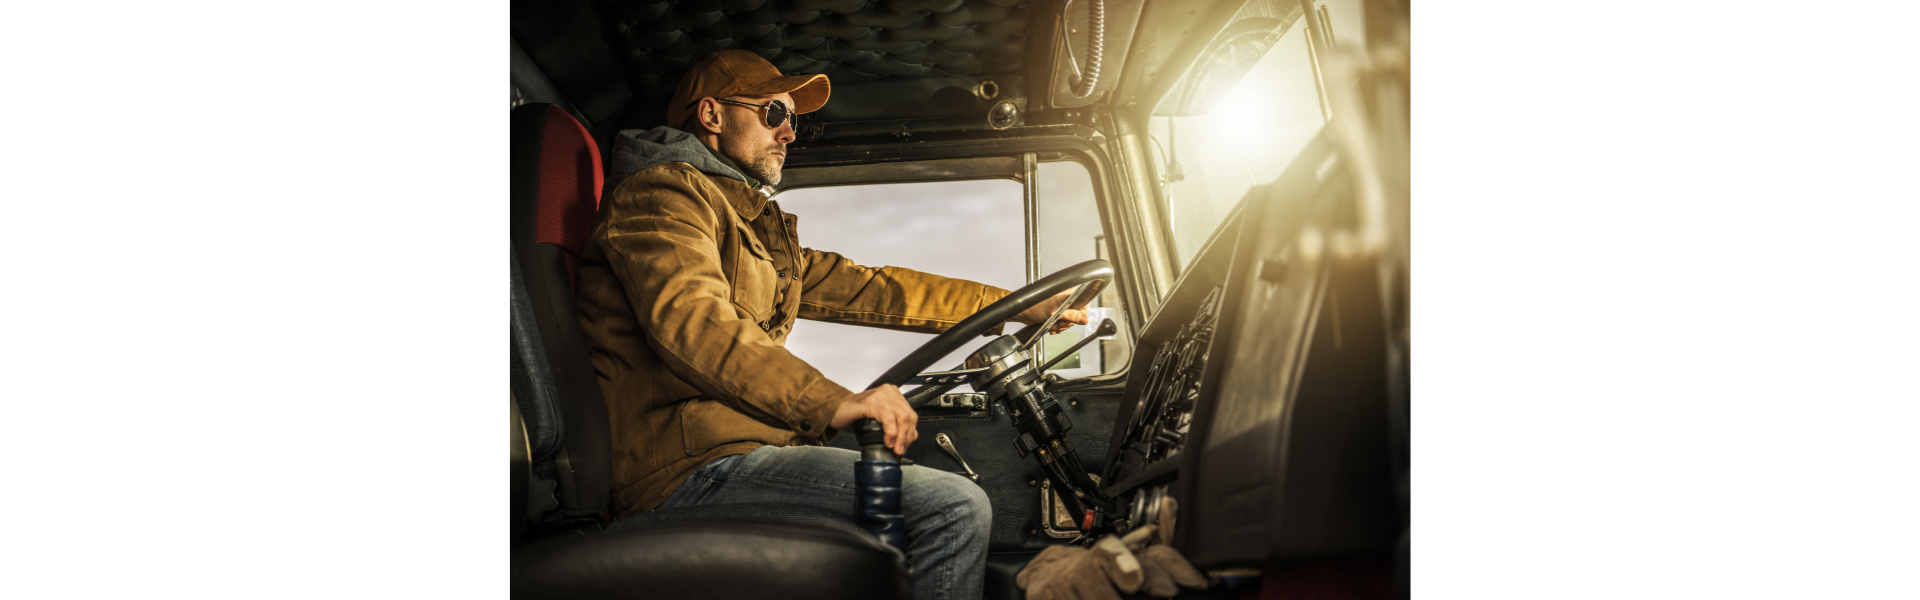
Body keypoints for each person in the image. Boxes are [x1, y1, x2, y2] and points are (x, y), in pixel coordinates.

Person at [572, 49, 1086, 600]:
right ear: (712, 117)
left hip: (748, 449)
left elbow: (872, 287)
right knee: (952, 508)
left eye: (793, 119)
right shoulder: (662, 196)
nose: (789, 133)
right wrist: (834, 402)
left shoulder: (749, 226)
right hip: (686, 470)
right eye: (774, 113)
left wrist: (1012, 305)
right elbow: (695, 321)